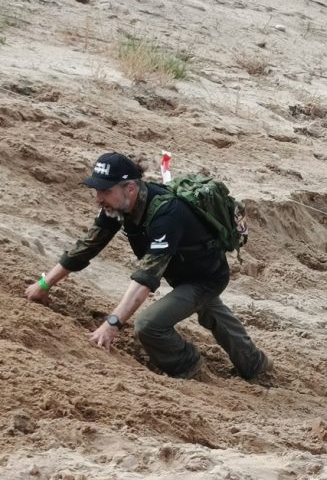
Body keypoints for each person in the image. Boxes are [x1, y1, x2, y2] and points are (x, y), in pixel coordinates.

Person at [24, 152, 270, 381]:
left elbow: (145, 279)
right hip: (181, 271)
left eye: (105, 191)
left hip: (205, 277)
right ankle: (256, 367)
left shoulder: (166, 215)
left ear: (129, 188)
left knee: (149, 325)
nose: (99, 199)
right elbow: (87, 247)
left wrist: (112, 324)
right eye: (96, 191)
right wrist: (44, 284)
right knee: (211, 311)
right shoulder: (117, 207)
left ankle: (190, 369)